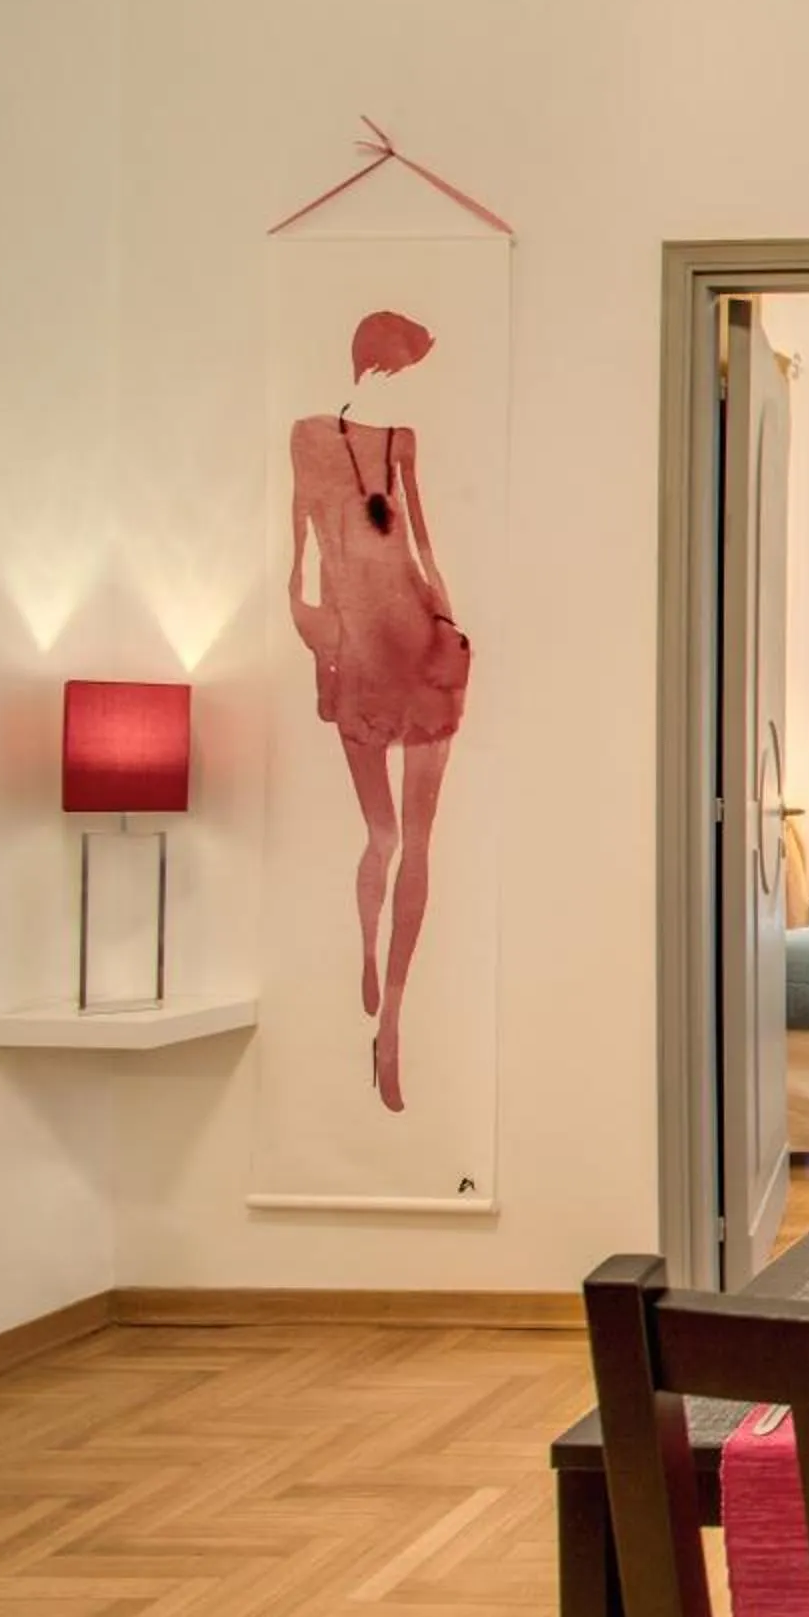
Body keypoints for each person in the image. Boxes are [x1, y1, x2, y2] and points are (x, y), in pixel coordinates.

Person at [286, 309, 470, 1113]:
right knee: (387, 835)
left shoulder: (401, 441)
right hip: (360, 640)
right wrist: (312, 626)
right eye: (401, 366)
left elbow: (423, 544)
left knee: (409, 838)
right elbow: (295, 548)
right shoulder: (306, 437)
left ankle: (391, 1019)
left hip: (414, 637)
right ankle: (371, 957)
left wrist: (451, 625)